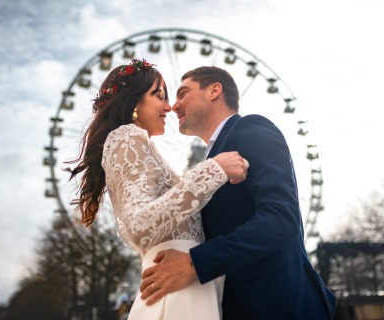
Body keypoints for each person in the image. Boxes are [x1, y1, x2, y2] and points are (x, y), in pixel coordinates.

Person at [140, 66, 337, 319]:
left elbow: (281, 218)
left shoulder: (250, 128)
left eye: (183, 93)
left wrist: (194, 263)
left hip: (280, 305)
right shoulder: (208, 165)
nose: (174, 105)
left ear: (214, 90)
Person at [65, 59, 248, 320]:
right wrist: (213, 170)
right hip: (176, 292)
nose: (168, 106)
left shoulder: (141, 146)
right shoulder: (128, 138)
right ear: (134, 102)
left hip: (187, 286)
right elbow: (138, 225)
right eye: (159, 96)